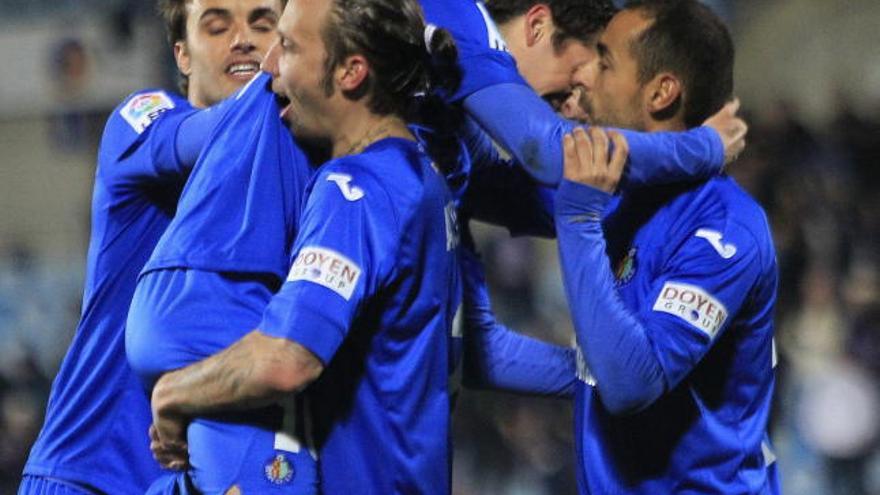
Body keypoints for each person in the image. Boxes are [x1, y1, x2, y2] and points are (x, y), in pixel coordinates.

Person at [139, 0, 463, 493]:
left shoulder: (356, 190)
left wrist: (172, 393)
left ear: (351, 71)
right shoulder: (423, 182)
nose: (268, 65)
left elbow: (286, 359)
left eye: (287, 47)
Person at [18, 1, 283, 494]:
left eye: (263, 24)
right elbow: (211, 137)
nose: (243, 39)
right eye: (218, 26)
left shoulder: (298, 179)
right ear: (182, 55)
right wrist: (308, 68)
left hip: (203, 476)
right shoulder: (142, 121)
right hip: (91, 472)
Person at [554, 1, 779, 493]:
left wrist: (576, 219)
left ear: (661, 92)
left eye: (605, 61)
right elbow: (591, 366)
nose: (583, 75)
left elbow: (631, 384)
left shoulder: (726, 228)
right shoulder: (616, 200)